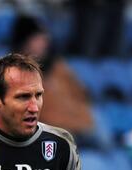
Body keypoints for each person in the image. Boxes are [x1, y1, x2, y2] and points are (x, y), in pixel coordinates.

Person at [9, 15, 110, 150]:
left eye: (44, 38)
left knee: (101, 124)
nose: (44, 42)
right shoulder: (13, 74)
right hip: (54, 138)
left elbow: (82, 94)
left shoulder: (58, 66)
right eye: (38, 38)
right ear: (25, 42)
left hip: (82, 130)